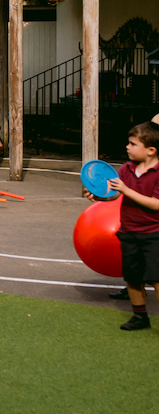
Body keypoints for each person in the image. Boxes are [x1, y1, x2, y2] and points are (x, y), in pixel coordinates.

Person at [86, 117, 159, 330]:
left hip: (154, 234)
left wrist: (127, 190)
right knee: (132, 277)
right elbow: (112, 195)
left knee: (156, 278)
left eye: (133, 144)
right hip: (129, 232)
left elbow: (156, 204)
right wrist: (97, 196)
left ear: (151, 150)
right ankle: (139, 317)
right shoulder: (125, 169)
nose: (127, 147)